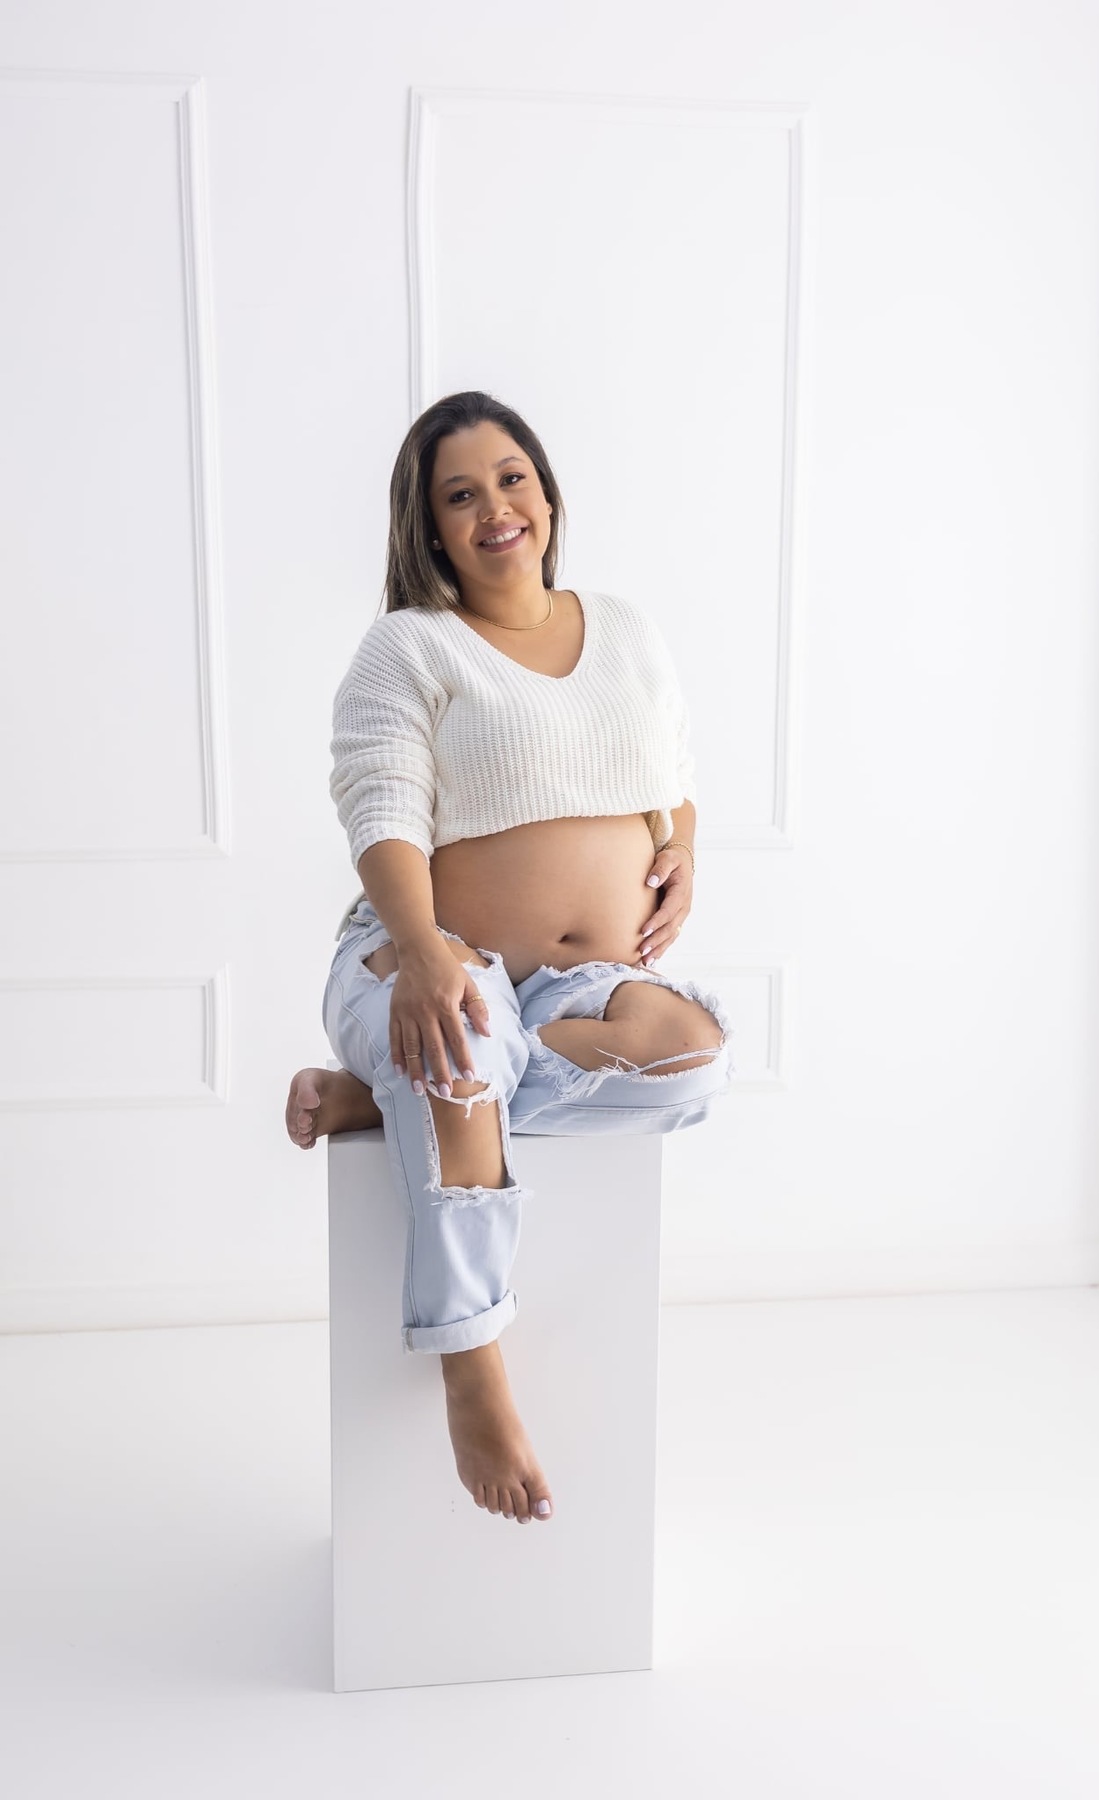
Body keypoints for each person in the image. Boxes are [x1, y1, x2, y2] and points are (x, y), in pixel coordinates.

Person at [284, 390, 736, 1528]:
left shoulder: (624, 629)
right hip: (425, 952)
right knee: (463, 1032)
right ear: (429, 526)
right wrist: (430, 952)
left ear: (547, 490)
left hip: (583, 990)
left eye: (513, 477)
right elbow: (381, 809)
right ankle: (471, 1362)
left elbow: (670, 772)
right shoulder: (410, 646)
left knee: (693, 1059)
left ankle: (394, 1098)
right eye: (461, 493)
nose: (496, 507)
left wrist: (682, 849)